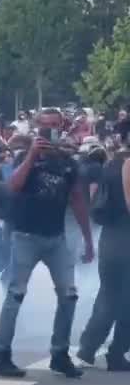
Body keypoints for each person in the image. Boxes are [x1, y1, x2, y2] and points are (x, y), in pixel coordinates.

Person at [0, 109, 93, 379]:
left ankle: (59, 354)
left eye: (53, 125)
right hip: (25, 236)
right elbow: (12, 187)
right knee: (15, 295)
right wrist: (31, 156)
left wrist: (88, 240)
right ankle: (2, 356)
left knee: (69, 295)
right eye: (44, 126)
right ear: (37, 128)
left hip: (56, 238)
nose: (48, 130)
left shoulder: (68, 163)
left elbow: (78, 201)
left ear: (61, 128)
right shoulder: (23, 156)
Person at [77, 146, 130, 371]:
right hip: (125, 237)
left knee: (109, 295)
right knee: (123, 300)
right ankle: (116, 352)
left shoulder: (111, 165)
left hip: (110, 237)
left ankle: (88, 348)